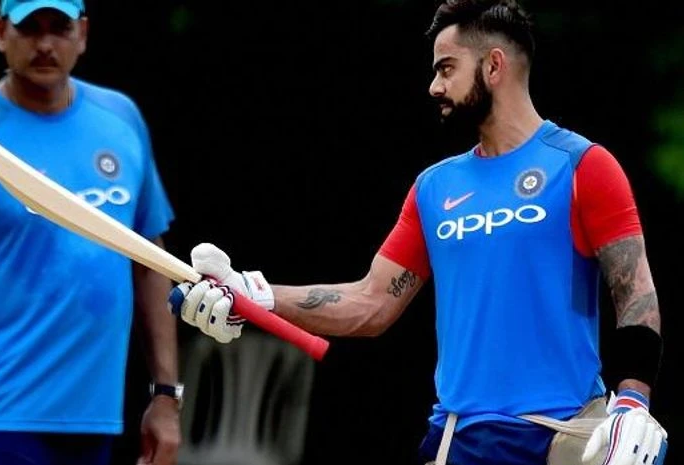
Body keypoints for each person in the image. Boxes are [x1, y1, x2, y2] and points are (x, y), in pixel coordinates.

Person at [170, 1, 668, 464]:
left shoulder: (582, 166)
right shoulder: (434, 188)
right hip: (459, 440)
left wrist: (632, 401)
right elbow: (371, 303)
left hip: (564, 437)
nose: (434, 86)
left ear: (494, 66)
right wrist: (252, 294)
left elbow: (635, 293)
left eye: (446, 68)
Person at [0, 1, 182, 465]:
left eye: (59, 28)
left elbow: (152, 263)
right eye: (29, 28)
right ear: (0, 33)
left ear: (83, 33)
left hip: (96, 418)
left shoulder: (121, 119)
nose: (45, 44)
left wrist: (166, 395)